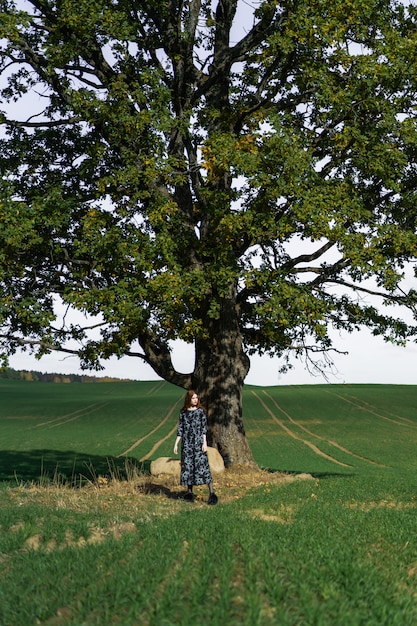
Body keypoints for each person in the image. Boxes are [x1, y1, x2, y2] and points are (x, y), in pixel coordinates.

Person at [174, 390, 218, 505]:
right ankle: (189, 493)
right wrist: (176, 443)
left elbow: (204, 429)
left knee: (203, 467)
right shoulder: (183, 413)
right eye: (193, 398)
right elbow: (180, 429)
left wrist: (204, 443)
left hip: (198, 443)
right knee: (188, 467)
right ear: (188, 399)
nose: (195, 400)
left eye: (196, 398)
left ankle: (212, 493)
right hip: (187, 445)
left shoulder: (200, 412)